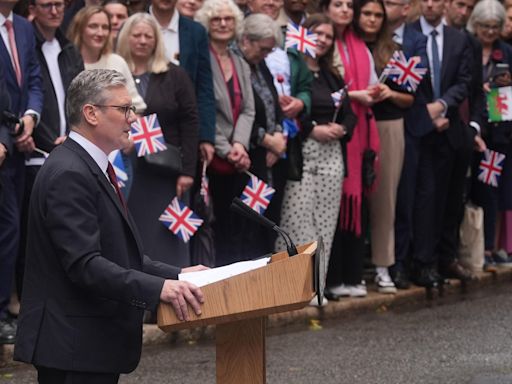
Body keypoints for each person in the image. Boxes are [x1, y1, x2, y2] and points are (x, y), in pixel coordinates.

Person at [13, 69, 206, 384]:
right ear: (90, 113)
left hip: (86, 345)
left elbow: (116, 254)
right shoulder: (69, 173)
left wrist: (178, 275)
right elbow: (86, 265)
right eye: (124, 109)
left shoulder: (87, 165)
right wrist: (159, 290)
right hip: (72, 348)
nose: (133, 119)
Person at [277, 13, 356, 302]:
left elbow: (349, 112)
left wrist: (342, 127)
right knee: (297, 222)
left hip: (332, 156)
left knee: (324, 225)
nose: (322, 39)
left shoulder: (331, 74)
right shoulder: (293, 66)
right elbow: (287, 105)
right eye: (317, 33)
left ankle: (315, 290)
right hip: (303, 153)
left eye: (328, 36)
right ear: (304, 34)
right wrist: (313, 129)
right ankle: (288, 290)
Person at [116, 13, 199, 267]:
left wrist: (188, 171)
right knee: (131, 234)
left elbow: (190, 121)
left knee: (166, 238)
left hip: (165, 173)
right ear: (126, 38)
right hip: (126, 169)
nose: (142, 41)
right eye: (137, 35)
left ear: (157, 41)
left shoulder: (174, 75)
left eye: (148, 36)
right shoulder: (114, 74)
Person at [15, 0, 84, 305]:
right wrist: (35, 134)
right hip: (35, 153)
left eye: (60, 4)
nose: (55, 11)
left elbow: (79, 96)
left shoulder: (69, 48)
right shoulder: (26, 42)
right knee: (29, 234)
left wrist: (72, 135)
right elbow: (27, 94)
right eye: (47, 5)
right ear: (32, 8)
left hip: (67, 147)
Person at [409, 0, 472, 287]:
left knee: (448, 199)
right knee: (423, 200)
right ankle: (422, 263)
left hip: (449, 130)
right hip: (417, 131)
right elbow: (405, 82)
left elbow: (464, 81)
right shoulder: (408, 35)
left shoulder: (460, 39)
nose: (431, 4)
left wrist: (443, 106)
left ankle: (444, 259)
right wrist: (426, 113)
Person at [321, 0, 380, 299]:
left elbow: (370, 83)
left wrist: (374, 91)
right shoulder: (323, 39)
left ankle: (351, 275)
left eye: (348, 5)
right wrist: (354, 94)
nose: (344, 10)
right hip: (331, 132)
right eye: (337, 4)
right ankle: (332, 279)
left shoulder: (360, 45)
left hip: (360, 129)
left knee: (357, 202)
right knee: (332, 206)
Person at [354, 0, 414, 293]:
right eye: (367, 13)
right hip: (353, 124)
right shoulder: (346, 44)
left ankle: (382, 264)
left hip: (387, 125)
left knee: (385, 197)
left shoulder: (394, 51)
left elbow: (410, 99)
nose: (373, 19)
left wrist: (390, 93)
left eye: (378, 15)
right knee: (352, 198)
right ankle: (350, 267)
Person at [195, 0, 256, 266]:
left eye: (228, 19)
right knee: (214, 227)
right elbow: (201, 106)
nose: (222, 24)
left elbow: (248, 110)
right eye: (216, 19)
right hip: (212, 157)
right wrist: (225, 147)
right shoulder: (200, 57)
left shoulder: (240, 62)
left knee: (237, 228)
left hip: (236, 158)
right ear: (207, 23)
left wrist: (240, 144)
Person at [0, 0, 43, 345]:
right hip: (3, 144)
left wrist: (30, 118)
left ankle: (4, 311)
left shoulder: (25, 28)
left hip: (14, 149)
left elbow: (33, 80)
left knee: (11, 231)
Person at [384, 0, 430, 289]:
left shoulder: (417, 40)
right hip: (373, 125)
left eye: (392, 3)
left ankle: (399, 261)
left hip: (408, 127)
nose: (386, 9)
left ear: (406, 8)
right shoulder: (369, 36)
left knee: (404, 198)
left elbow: (413, 85)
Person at [468, 0, 512, 266]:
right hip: (468, 128)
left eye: (495, 27)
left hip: (496, 136)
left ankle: (488, 247)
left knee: (490, 186)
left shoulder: (506, 53)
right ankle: (469, 248)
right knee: (466, 188)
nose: (489, 32)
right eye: (485, 26)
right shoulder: (466, 45)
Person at [150, 0, 216, 166]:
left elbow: (204, 86)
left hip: (183, 130)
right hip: (144, 126)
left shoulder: (196, 32)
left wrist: (206, 137)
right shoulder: (135, 24)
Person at [67, 5, 146, 113]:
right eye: (93, 26)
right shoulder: (66, 63)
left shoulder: (117, 62)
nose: (100, 33)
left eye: (105, 27)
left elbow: (137, 106)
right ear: (80, 29)